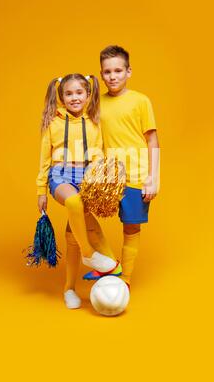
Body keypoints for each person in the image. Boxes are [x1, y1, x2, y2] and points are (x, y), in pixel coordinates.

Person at [36, 73, 122, 309]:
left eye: (79, 93)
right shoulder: (52, 122)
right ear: (61, 97)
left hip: (88, 177)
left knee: (73, 235)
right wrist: (41, 189)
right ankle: (90, 254)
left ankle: (70, 289)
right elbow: (44, 158)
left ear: (87, 95)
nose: (74, 98)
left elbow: (102, 151)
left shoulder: (95, 120)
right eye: (69, 94)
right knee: (74, 202)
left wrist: (104, 176)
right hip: (60, 175)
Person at [83, 46, 160, 289]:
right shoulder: (95, 103)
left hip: (136, 175)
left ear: (129, 71)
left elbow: (152, 140)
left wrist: (153, 178)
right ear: (101, 74)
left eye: (118, 70)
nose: (113, 76)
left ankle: (124, 279)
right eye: (107, 72)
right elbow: (92, 137)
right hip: (106, 177)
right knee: (80, 210)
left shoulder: (140, 101)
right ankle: (108, 263)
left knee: (131, 225)